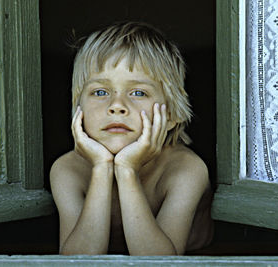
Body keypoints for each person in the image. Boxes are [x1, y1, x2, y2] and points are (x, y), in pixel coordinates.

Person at [50, 21, 213, 256]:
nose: (117, 106)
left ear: (171, 115)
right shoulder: (67, 170)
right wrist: (101, 168)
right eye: (100, 92)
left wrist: (127, 169)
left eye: (138, 93)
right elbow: (77, 261)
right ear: (79, 109)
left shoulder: (186, 170)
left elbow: (159, 264)